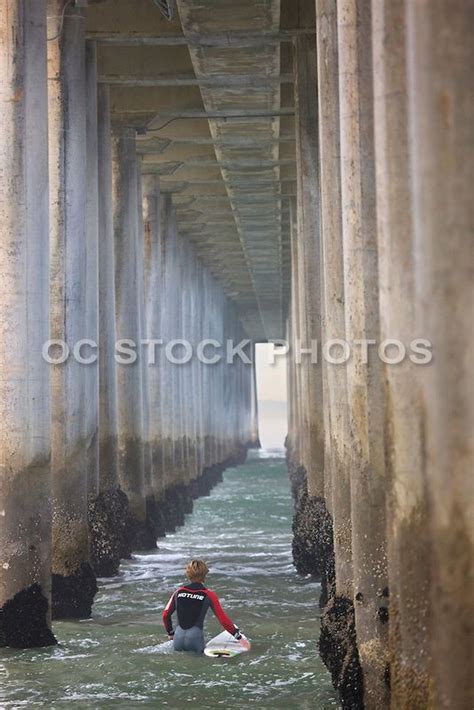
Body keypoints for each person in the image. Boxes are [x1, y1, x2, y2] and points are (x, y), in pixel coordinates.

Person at [162, 559, 245, 654]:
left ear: (188, 574)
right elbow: (223, 620)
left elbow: (165, 615)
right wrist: (238, 636)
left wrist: (170, 633)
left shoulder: (178, 592)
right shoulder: (208, 594)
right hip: (195, 640)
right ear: (205, 575)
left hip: (177, 640)